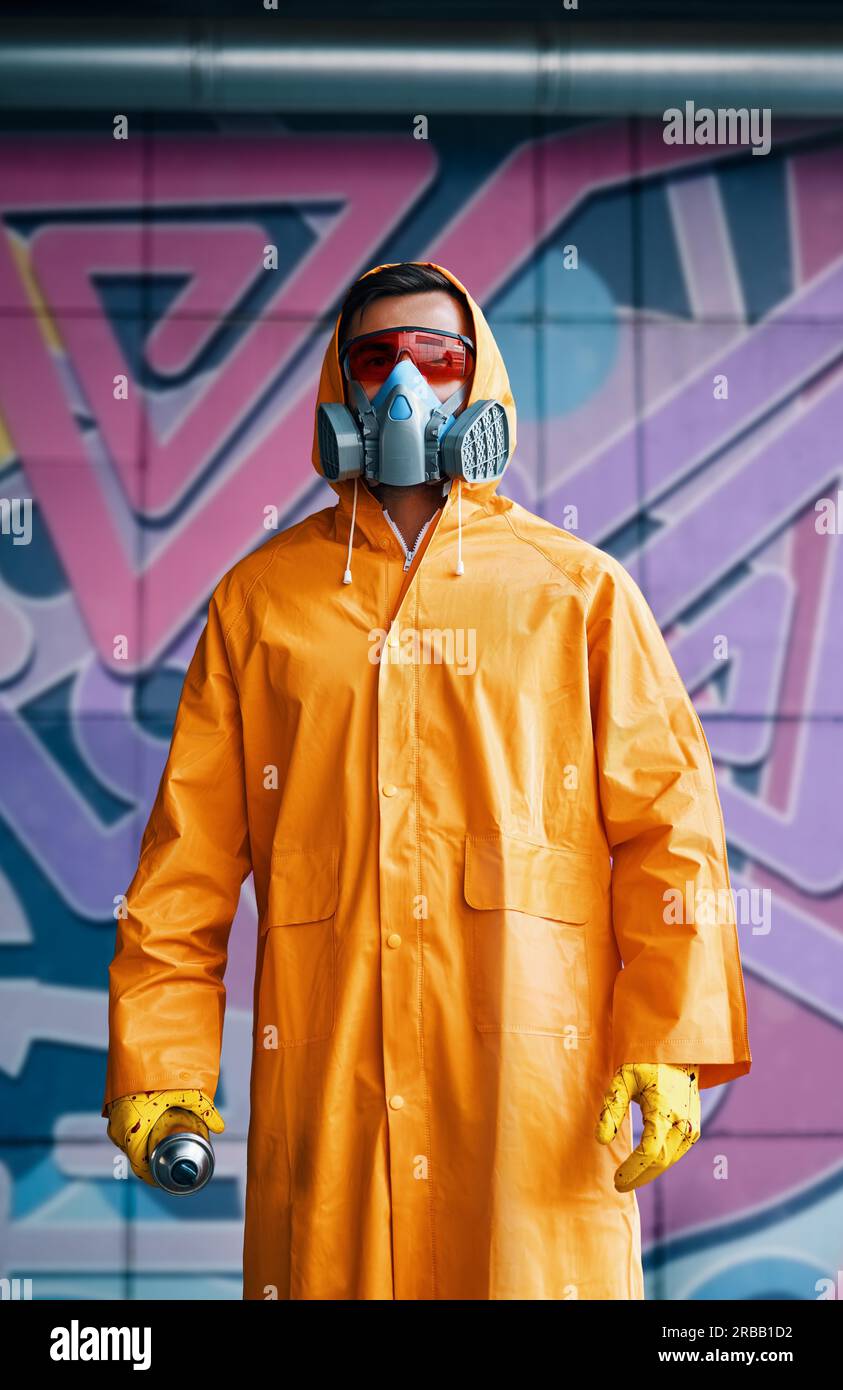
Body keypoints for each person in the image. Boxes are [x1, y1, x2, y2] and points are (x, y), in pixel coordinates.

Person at [103, 260, 751, 1300]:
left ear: (476, 382)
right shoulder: (261, 608)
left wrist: (672, 1042)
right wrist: (160, 1068)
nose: (406, 384)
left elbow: (669, 832)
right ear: (340, 387)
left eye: (437, 359)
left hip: (534, 1098)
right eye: (376, 358)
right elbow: (187, 866)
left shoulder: (574, 594)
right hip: (333, 1091)